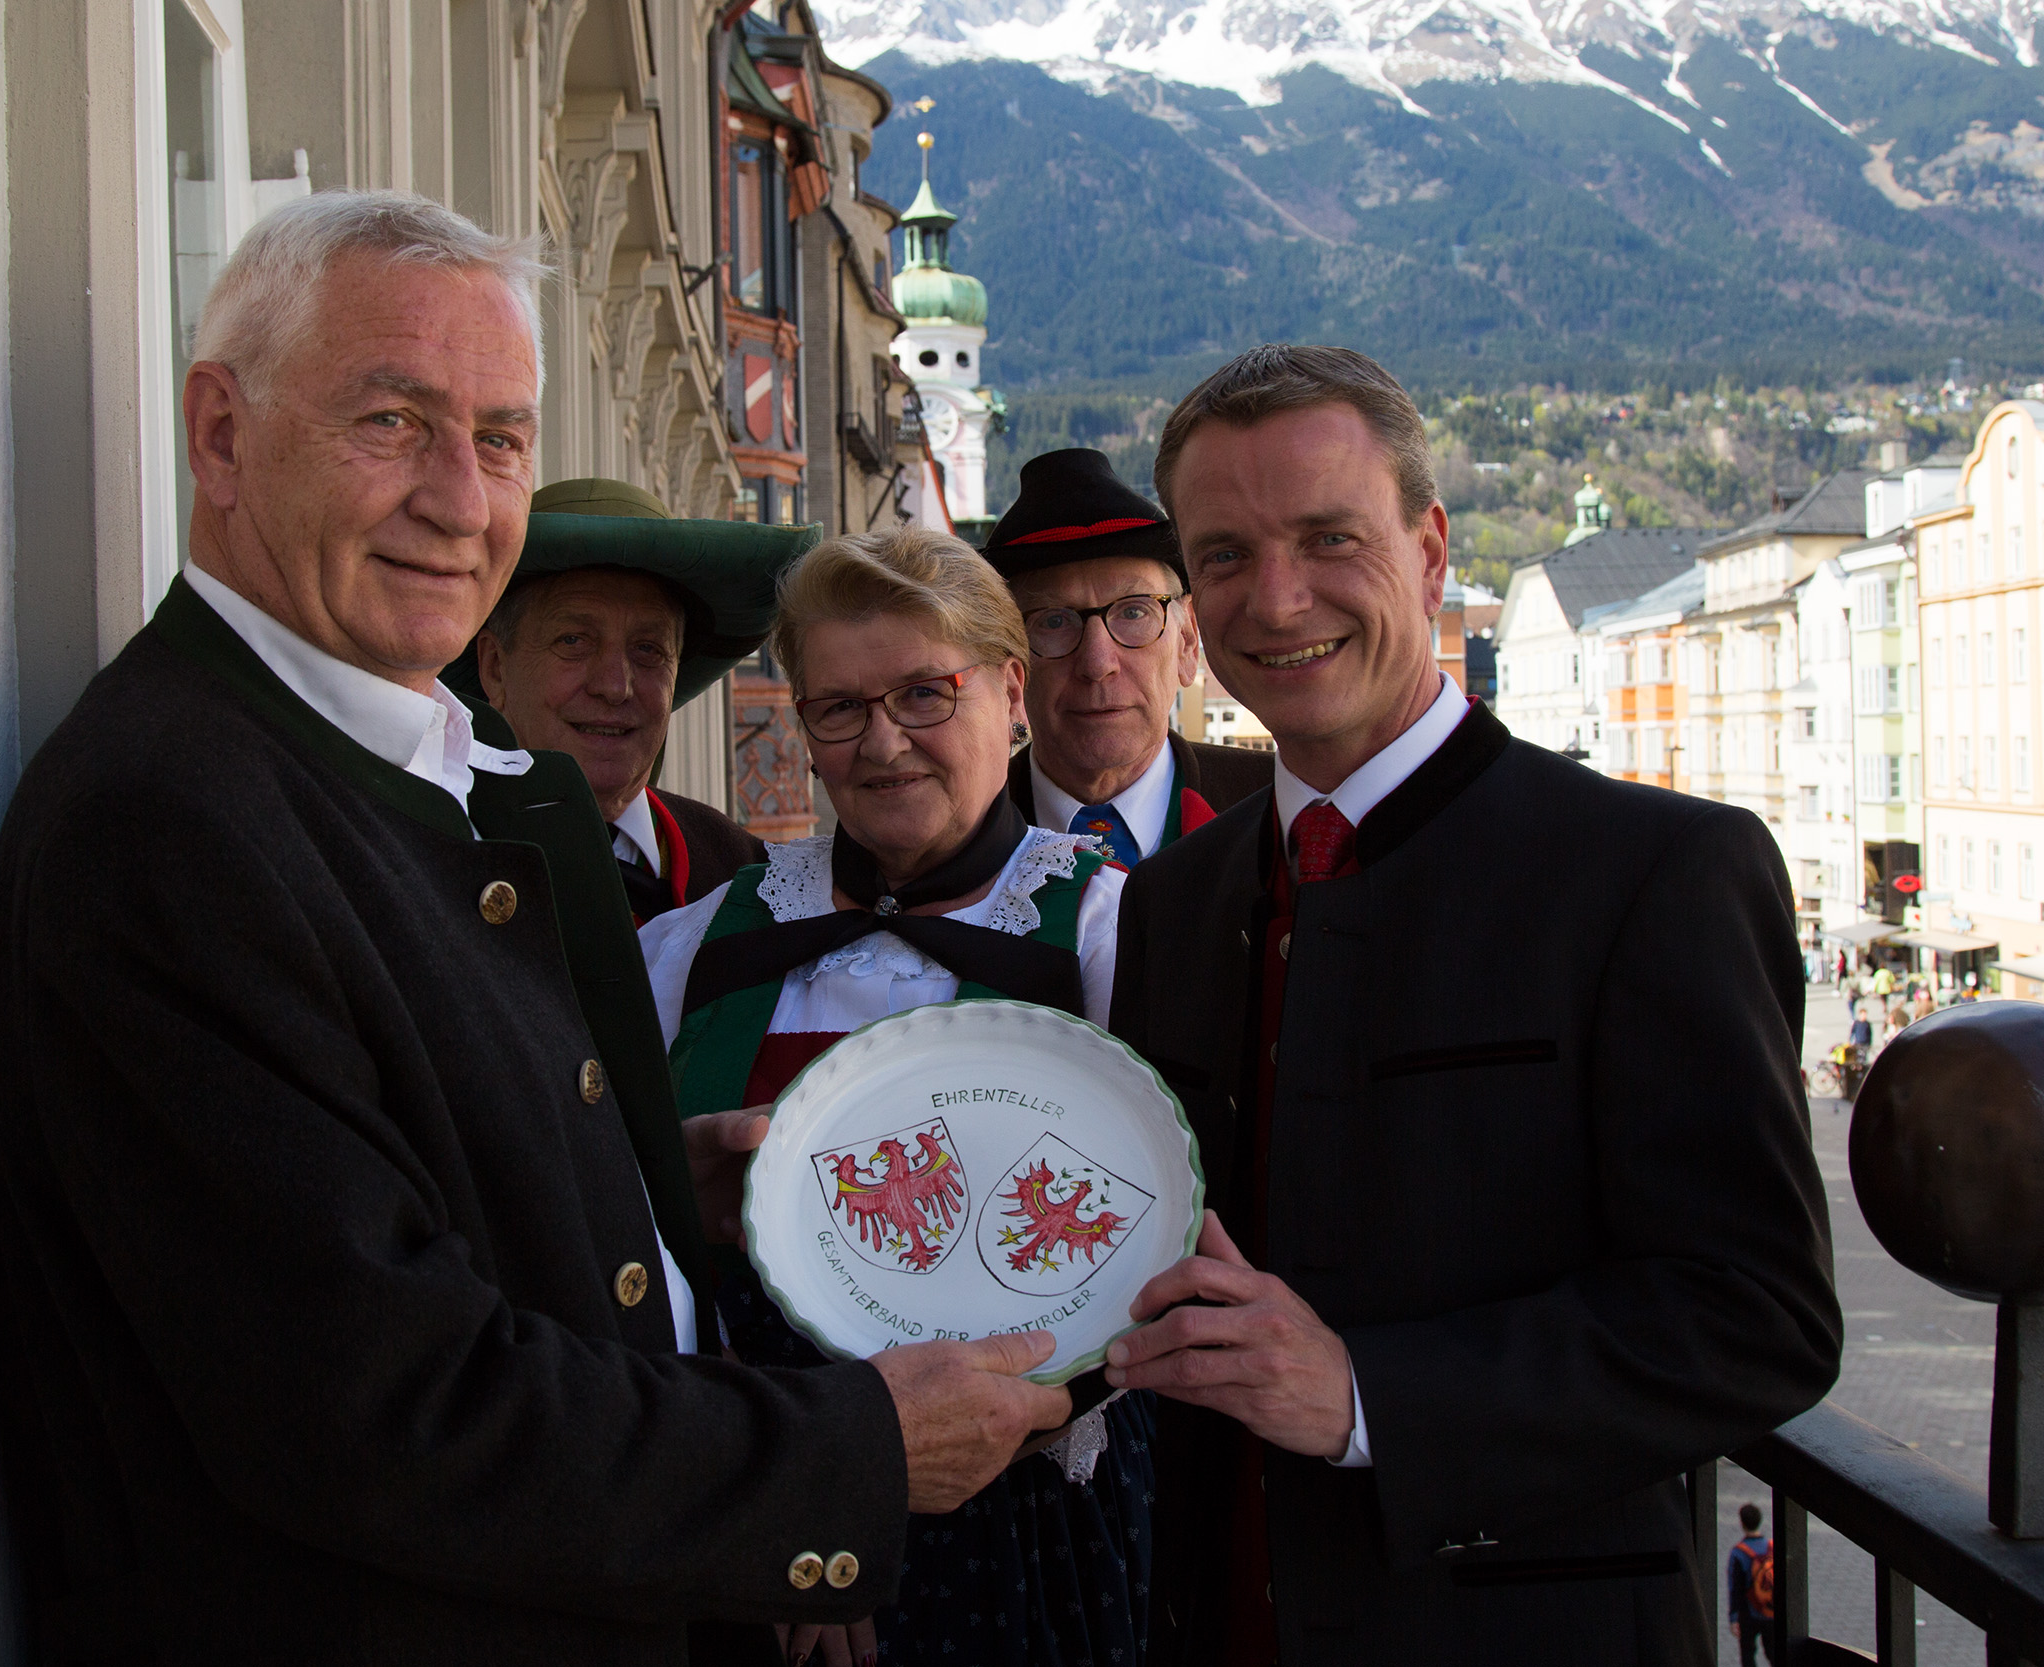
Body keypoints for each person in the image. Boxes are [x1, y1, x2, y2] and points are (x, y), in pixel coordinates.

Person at [0, 191, 1067, 1664]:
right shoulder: (169, 821)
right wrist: (851, 1451)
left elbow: (397, 1188)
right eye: (390, 420)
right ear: (219, 434)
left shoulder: (365, 759)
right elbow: (384, 1410)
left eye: (500, 439)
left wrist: (619, 1186)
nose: (461, 498)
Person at [1097, 345, 1840, 1662]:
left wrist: (1369, 1396)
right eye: (1223, 555)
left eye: (1330, 537)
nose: (1278, 597)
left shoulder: (1653, 872)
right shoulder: (1177, 898)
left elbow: (1758, 1319)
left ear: (1431, 550)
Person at [639, 528, 1155, 1667]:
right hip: (740, 1510)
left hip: (1013, 1516)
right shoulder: (689, 950)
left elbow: (1157, 1256)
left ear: (1010, 695)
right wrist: (793, 1498)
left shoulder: (1119, 934)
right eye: (838, 707)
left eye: (925, 693)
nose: (881, 744)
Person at [466, 476, 811, 921]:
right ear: (495, 667)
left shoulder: (756, 886)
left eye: (649, 649)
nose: (615, 686)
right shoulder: (422, 858)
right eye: (573, 641)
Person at [983, 447, 1274, 863]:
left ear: (1188, 642)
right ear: (1010, 670)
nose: (1098, 664)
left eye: (1134, 611)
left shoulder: (1280, 809)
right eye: (1053, 622)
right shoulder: (955, 834)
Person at [1725, 1502, 1775, 1665]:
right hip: (1770, 1610)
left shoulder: (1739, 1552)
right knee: (1774, 1654)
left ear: (1742, 1523)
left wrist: (1734, 1618)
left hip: (1748, 1612)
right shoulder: (1772, 1547)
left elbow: (1735, 1589)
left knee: (1747, 1656)